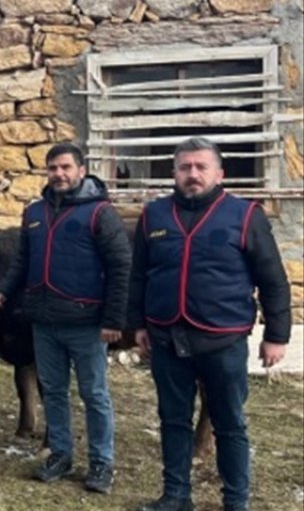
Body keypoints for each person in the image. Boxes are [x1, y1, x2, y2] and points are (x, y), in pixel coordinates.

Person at [130, 138, 291, 511]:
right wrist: (136, 323)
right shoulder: (153, 216)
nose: (193, 174)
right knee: (173, 420)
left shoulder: (245, 215)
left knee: (230, 424)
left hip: (223, 340)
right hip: (166, 337)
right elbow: (138, 275)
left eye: (201, 167)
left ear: (220, 173)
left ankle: (235, 501)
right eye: (185, 167)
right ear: (174, 172)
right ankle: (176, 495)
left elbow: (273, 280)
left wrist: (276, 335)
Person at [0, 143, 130, 493]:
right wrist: (2, 289)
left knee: (94, 394)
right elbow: (22, 261)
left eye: (66, 167)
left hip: (87, 323)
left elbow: (121, 266)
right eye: (53, 168)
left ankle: (101, 463)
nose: (59, 174)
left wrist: (113, 320)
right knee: (53, 391)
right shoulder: (34, 212)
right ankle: (60, 456)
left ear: (81, 170)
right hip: (44, 321)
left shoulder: (100, 213)